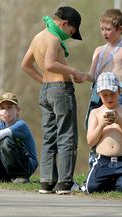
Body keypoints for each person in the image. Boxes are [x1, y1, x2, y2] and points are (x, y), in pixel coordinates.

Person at [21, 6, 84, 194]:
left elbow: (25, 65)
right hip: (61, 91)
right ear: (64, 24)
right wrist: (72, 71)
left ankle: (47, 181)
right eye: (71, 32)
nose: (69, 36)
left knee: (49, 137)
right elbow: (50, 63)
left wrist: (45, 82)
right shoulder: (54, 38)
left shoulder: (37, 37)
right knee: (66, 136)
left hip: (46, 91)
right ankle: (65, 182)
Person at [77, 9, 122, 167]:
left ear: (120, 29)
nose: (104, 32)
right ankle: (95, 164)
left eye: (108, 29)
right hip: (98, 95)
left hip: (119, 94)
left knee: (119, 129)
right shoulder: (99, 50)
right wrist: (84, 76)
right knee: (96, 127)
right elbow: (93, 74)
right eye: (102, 29)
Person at [85, 72, 122, 193]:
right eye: (105, 95)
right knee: (92, 188)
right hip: (103, 161)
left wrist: (121, 122)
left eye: (112, 94)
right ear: (99, 94)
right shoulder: (95, 113)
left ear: (118, 91)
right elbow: (90, 141)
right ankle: (112, 181)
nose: (109, 98)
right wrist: (101, 125)